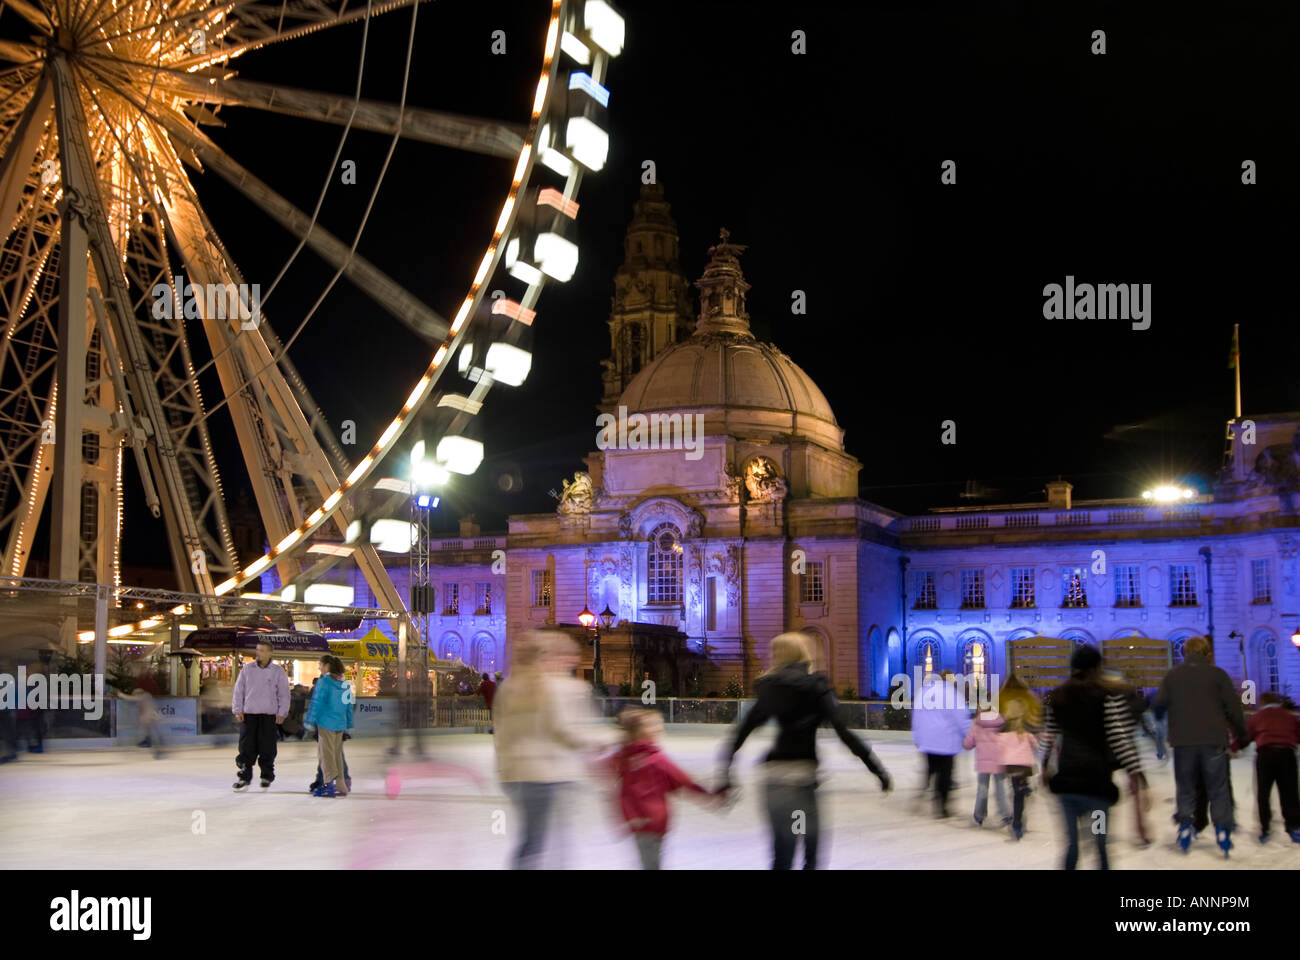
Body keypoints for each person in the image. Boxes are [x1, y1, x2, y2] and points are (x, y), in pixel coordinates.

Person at [718, 633, 891, 870]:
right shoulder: (816, 687)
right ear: (805, 654)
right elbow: (844, 733)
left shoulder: (771, 689)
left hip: (774, 783)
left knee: (783, 856)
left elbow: (740, 734)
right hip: (800, 786)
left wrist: (725, 774)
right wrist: (876, 768)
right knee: (810, 856)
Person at [493, 630, 610, 868]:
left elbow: (501, 734)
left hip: (516, 773)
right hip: (547, 773)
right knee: (548, 842)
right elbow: (560, 730)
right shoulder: (550, 688)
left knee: (533, 839)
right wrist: (594, 743)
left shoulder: (508, 688)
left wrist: (505, 768)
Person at [1039, 645, 1146, 870]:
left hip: (1067, 786)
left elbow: (1048, 735)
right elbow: (1119, 736)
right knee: (1100, 844)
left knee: (1072, 846)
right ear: (1098, 667)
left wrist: (1044, 766)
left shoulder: (1056, 696)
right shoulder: (1108, 696)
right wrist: (1133, 771)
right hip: (1096, 787)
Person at [1153, 635, 1247, 855]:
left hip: (1183, 741)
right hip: (1213, 739)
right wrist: (1242, 735)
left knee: (1186, 786)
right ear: (1208, 653)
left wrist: (1168, 717)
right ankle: (1222, 829)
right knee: (1218, 788)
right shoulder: (1218, 675)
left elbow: (1158, 706)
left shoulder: (1172, 675)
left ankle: (1185, 826)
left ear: (1184, 653)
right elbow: (1234, 709)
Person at [606, 708, 717, 869]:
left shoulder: (625, 756)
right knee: (651, 864)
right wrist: (709, 795)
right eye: (653, 725)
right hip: (653, 821)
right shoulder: (655, 759)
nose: (660, 728)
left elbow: (609, 765)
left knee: (648, 862)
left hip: (637, 822)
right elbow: (683, 780)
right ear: (641, 731)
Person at [230, 640, 289, 790]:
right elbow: (239, 691)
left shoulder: (277, 671)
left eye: (263, 650)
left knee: (267, 748)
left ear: (270, 653)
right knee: (246, 747)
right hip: (249, 715)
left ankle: (266, 776)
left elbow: (283, 694)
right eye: (258, 650)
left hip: (269, 716)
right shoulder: (247, 669)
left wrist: (282, 712)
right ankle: (244, 776)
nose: (259, 653)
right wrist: (238, 709)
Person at [910, 670, 970, 819]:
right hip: (946, 742)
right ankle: (942, 807)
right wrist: (969, 736)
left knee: (931, 768)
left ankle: (924, 790)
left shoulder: (924, 692)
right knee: (945, 773)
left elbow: (916, 715)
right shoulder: (953, 695)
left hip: (928, 740)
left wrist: (917, 736)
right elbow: (961, 718)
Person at [1243, 691, 1300, 843]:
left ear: (1262, 702)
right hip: (1287, 755)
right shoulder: (1289, 716)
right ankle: (1294, 826)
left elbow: (1246, 736)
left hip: (1266, 755)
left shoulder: (1257, 717)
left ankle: (1265, 828)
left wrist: (1232, 747)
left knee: (1264, 793)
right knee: (1290, 793)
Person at [304, 656, 354, 797]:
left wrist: (309, 721)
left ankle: (328, 785)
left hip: (326, 723)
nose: (319, 667)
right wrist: (349, 723)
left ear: (327, 666)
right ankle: (341, 785)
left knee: (326, 755)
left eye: (320, 664)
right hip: (340, 724)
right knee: (337, 754)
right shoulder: (345, 683)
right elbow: (349, 705)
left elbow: (317, 702)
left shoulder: (324, 682)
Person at [998, 700, 1039, 840]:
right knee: (1019, 794)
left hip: (1011, 766)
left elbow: (999, 747)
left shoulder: (1004, 733)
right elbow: (1035, 744)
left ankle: (1016, 822)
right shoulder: (1025, 733)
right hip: (1024, 766)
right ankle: (1018, 821)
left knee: (1016, 793)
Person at [963, 707, 1009, 828]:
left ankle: (979, 814)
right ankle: (1006, 813)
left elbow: (968, 744)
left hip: (983, 764)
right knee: (1001, 789)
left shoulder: (977, 725)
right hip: (999, 761)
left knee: (982, 789)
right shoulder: (1001, 724)